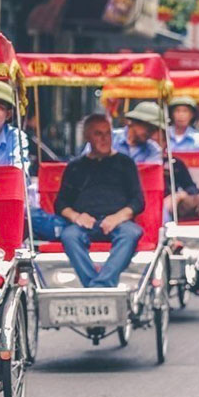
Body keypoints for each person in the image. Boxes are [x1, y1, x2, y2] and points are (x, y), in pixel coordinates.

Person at [56, 114, 146, 288]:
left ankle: (100, 286)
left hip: (118, 222)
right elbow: (61, 203)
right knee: (69, 235)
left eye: (108, 134)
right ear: (87, 137)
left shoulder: (125, 163)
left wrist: (117, 218)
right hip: (85, 222)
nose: (105, 139)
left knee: (132, 233)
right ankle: (96, 286)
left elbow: (138, 201)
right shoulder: (75, 167)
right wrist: (76, 217)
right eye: (98, 134)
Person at [95, 101, 163, 164]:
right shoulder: (107, 138)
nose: (151, 132)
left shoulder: (153, 150)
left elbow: (151, 173)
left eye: (154, 129)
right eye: (148, 127)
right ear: (133, 122)